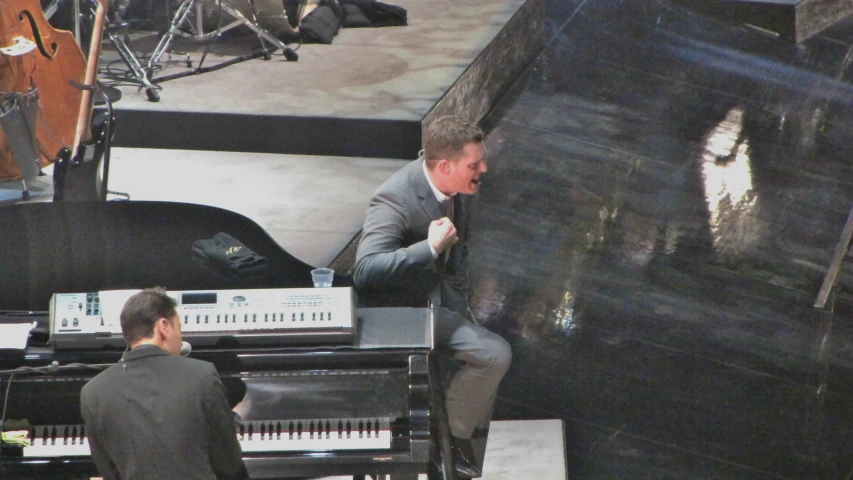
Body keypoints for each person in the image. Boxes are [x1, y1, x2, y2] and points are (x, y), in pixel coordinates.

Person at [353, 115, 512, 478]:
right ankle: (445, 443)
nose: (483, 169)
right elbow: (365, 271)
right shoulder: (395, 197)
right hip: (400, 313)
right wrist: (428, 247)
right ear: (445, 166)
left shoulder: (461, 187)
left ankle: (453, 446)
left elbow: (461, 254)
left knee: (487, 363)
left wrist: (461, 306)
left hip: (437, 301)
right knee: (494, 354)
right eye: (475, 164)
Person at [80, 288, 247, 480]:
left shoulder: (92, 392)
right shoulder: (202, 375)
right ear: (163, 327)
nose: (181, 338)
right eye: (179, 328)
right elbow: (230, 463)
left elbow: (108, 471)